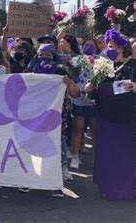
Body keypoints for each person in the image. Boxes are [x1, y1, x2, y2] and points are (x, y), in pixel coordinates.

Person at [85, 29, 135, 201]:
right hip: (106, 116)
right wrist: (91, 89)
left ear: (121, 47)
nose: (108, 48)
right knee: (107, 153)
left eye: (112, 46)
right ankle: (107, 186)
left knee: (123, 154)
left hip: (125, 118)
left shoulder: (132, 66)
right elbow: (99, 91)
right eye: (107, 46)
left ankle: (124, 189)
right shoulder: (106, 67)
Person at [27, 44, 80, 197]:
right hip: (34, 118)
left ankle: (54, 184)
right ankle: (29, 180)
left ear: (54, 57)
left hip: (56, 119)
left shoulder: (60, 72)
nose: (44, 58)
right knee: (31, 148)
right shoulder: (30, 72)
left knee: (54, 150)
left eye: (48, 55)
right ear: (36, 56)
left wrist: (68, 83)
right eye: (41, 54)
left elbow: (76, 93)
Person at [69, 38, 97, 169]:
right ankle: (75, 157)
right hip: (78, 99)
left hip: (94, 101)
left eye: (92, 45)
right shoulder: (77, 61)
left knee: (95, 131)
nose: (89, 47)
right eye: (87, 45)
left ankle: (98, 158)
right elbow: (71, 77)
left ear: (96, 48)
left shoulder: (101, 62)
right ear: (82, 46)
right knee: (78, 129)